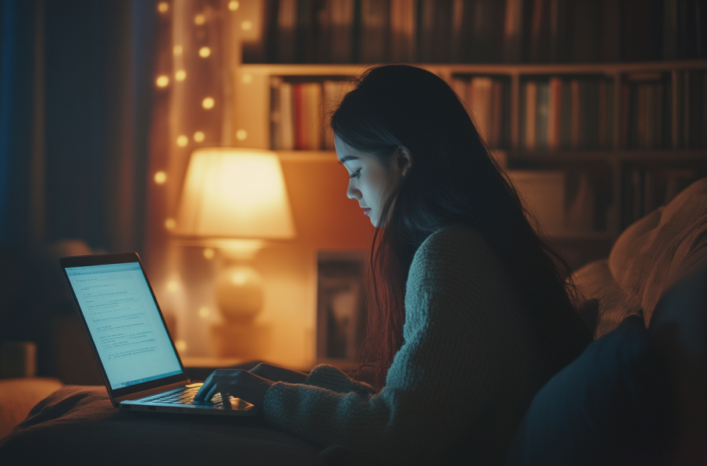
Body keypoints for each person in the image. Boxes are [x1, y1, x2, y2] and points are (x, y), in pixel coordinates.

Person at [195, 65, 591, 464]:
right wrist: (291, 383)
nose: (351, 190)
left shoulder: (449, 257)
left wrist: (268, 396)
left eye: (356, 170)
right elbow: (418, 406)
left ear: (402, 158)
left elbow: (394, 430)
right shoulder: (478, 241)